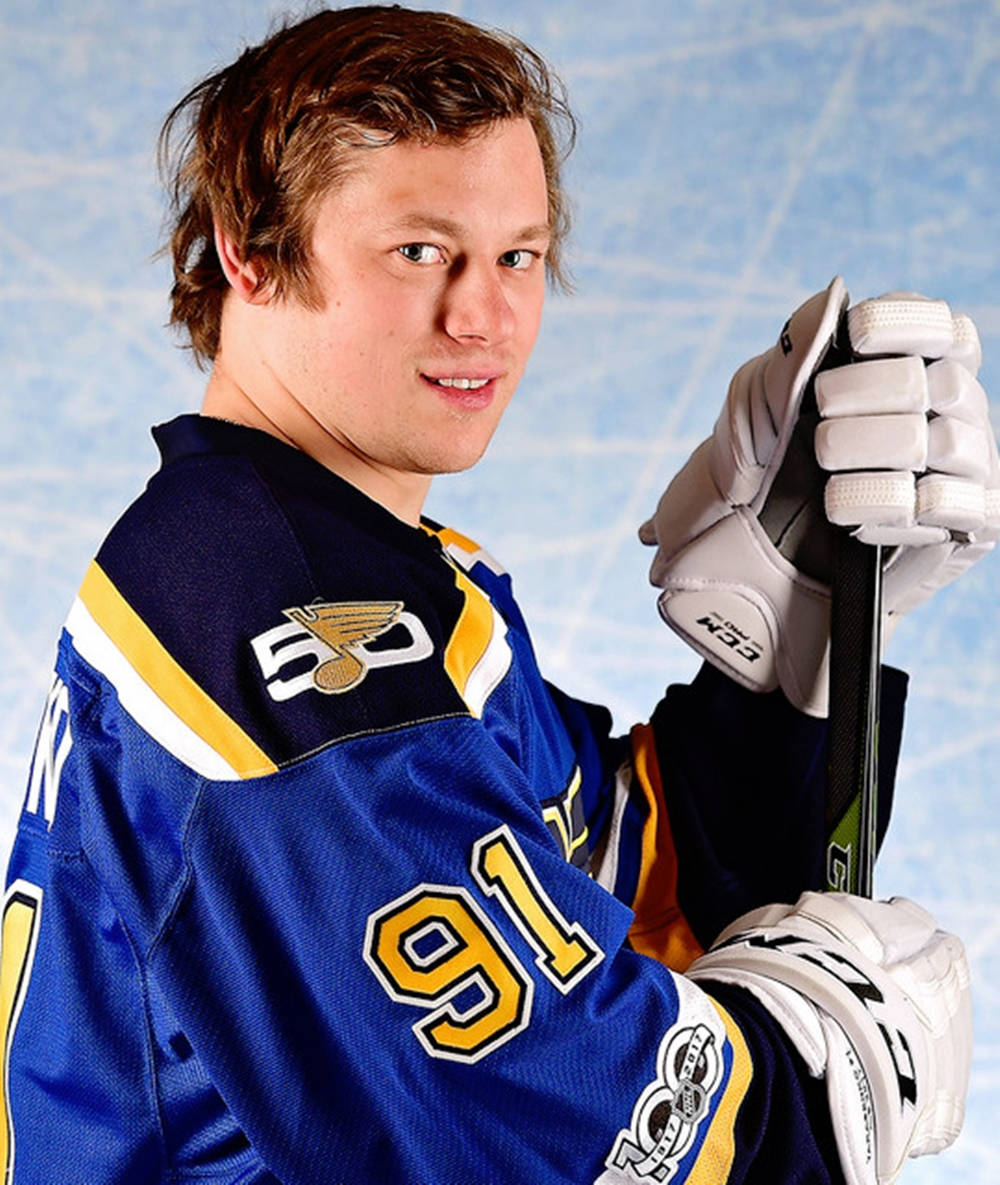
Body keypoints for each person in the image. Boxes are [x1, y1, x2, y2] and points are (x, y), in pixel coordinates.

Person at [2, 7, 996, 1184]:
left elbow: (587, 890)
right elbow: (537, 1130)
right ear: (249, 252)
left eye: (515, 255)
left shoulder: (354, 575)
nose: (483, 317)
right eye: (419, 251)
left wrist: (797, 652)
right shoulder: (276, 617)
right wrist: (798, 1083)